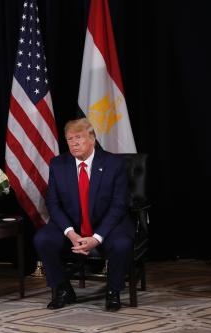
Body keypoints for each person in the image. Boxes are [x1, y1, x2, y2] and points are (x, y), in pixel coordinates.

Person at [34, 118, 134, 312]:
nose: (74, 143)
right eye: (69, 139)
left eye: (78, 137)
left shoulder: (114, 163)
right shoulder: (58, 164)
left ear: (92, 139)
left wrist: (97, 238)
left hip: (107, 223)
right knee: (43, 239)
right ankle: (62, 288)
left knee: (122, 243)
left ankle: (113, 291)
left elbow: (119, 204)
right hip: (73, 224)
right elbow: (53, 204)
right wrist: (71, 233)